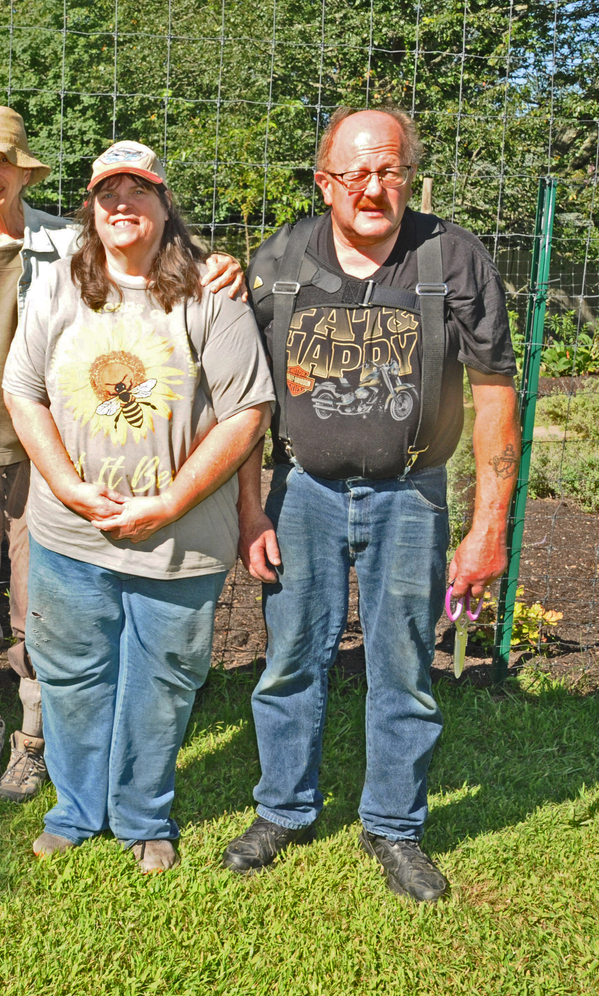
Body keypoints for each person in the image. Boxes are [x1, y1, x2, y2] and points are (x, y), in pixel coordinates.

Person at [0, 107, 243, 803]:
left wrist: (220, 265)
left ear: (24, 170)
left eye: (2, 162)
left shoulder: (67, 242)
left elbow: (153, 268)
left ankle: (34, 738)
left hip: (56, 460)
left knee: (38, 609)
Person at [222, 108, 519, 902]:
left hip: (411, 494)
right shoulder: (279, 260)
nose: (372, 188)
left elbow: (494, 395)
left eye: (389, 170)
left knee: (404, 667)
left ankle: (395, 827)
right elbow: (246, 402)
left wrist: (489, 528)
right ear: (325, 182)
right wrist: (251, 512)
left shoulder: (453, 258)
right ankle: (283, 809)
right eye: (354, 173)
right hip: (302, 494)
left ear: (408, 177)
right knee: (288, 661)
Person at [3, 141, 274, 870]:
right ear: (92, 210)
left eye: (139, 191)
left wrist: (170, 501)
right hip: (70, 533)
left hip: (179, 539)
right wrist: (64, 485)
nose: (123, 204)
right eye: (107, 193)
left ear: (163, 205)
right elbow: (20, 391)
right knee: (69, 672)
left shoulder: (210, 296)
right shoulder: (58, 287)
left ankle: (144, 815)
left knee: (162, 678)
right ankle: (74, 809)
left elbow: (247, 411)